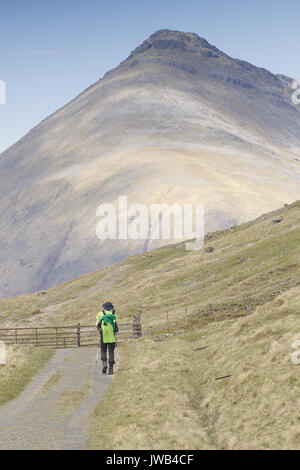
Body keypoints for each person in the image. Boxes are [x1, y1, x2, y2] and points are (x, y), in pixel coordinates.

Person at [96, 301, 118, 375]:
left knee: (103, 350)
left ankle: (104, 363)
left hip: (103, 334)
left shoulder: (100, 313)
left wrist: (99, 331)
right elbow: (115, 325)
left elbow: (96, 325)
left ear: (104, 307)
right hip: (111, 334)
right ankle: (111, 368)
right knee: (111, 351)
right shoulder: (114, 314)